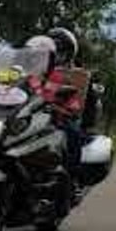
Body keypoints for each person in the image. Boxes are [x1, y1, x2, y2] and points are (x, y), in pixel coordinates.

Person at [24, 28, 90, 172]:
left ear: (69, 53)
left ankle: (72, 174)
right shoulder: (34, 72)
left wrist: (57, 104)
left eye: (60, 51)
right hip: (32, 114)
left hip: (62, 116)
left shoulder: (75, 74)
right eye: (52, 51)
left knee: (72, 133)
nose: (55, 55)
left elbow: (76, 104)